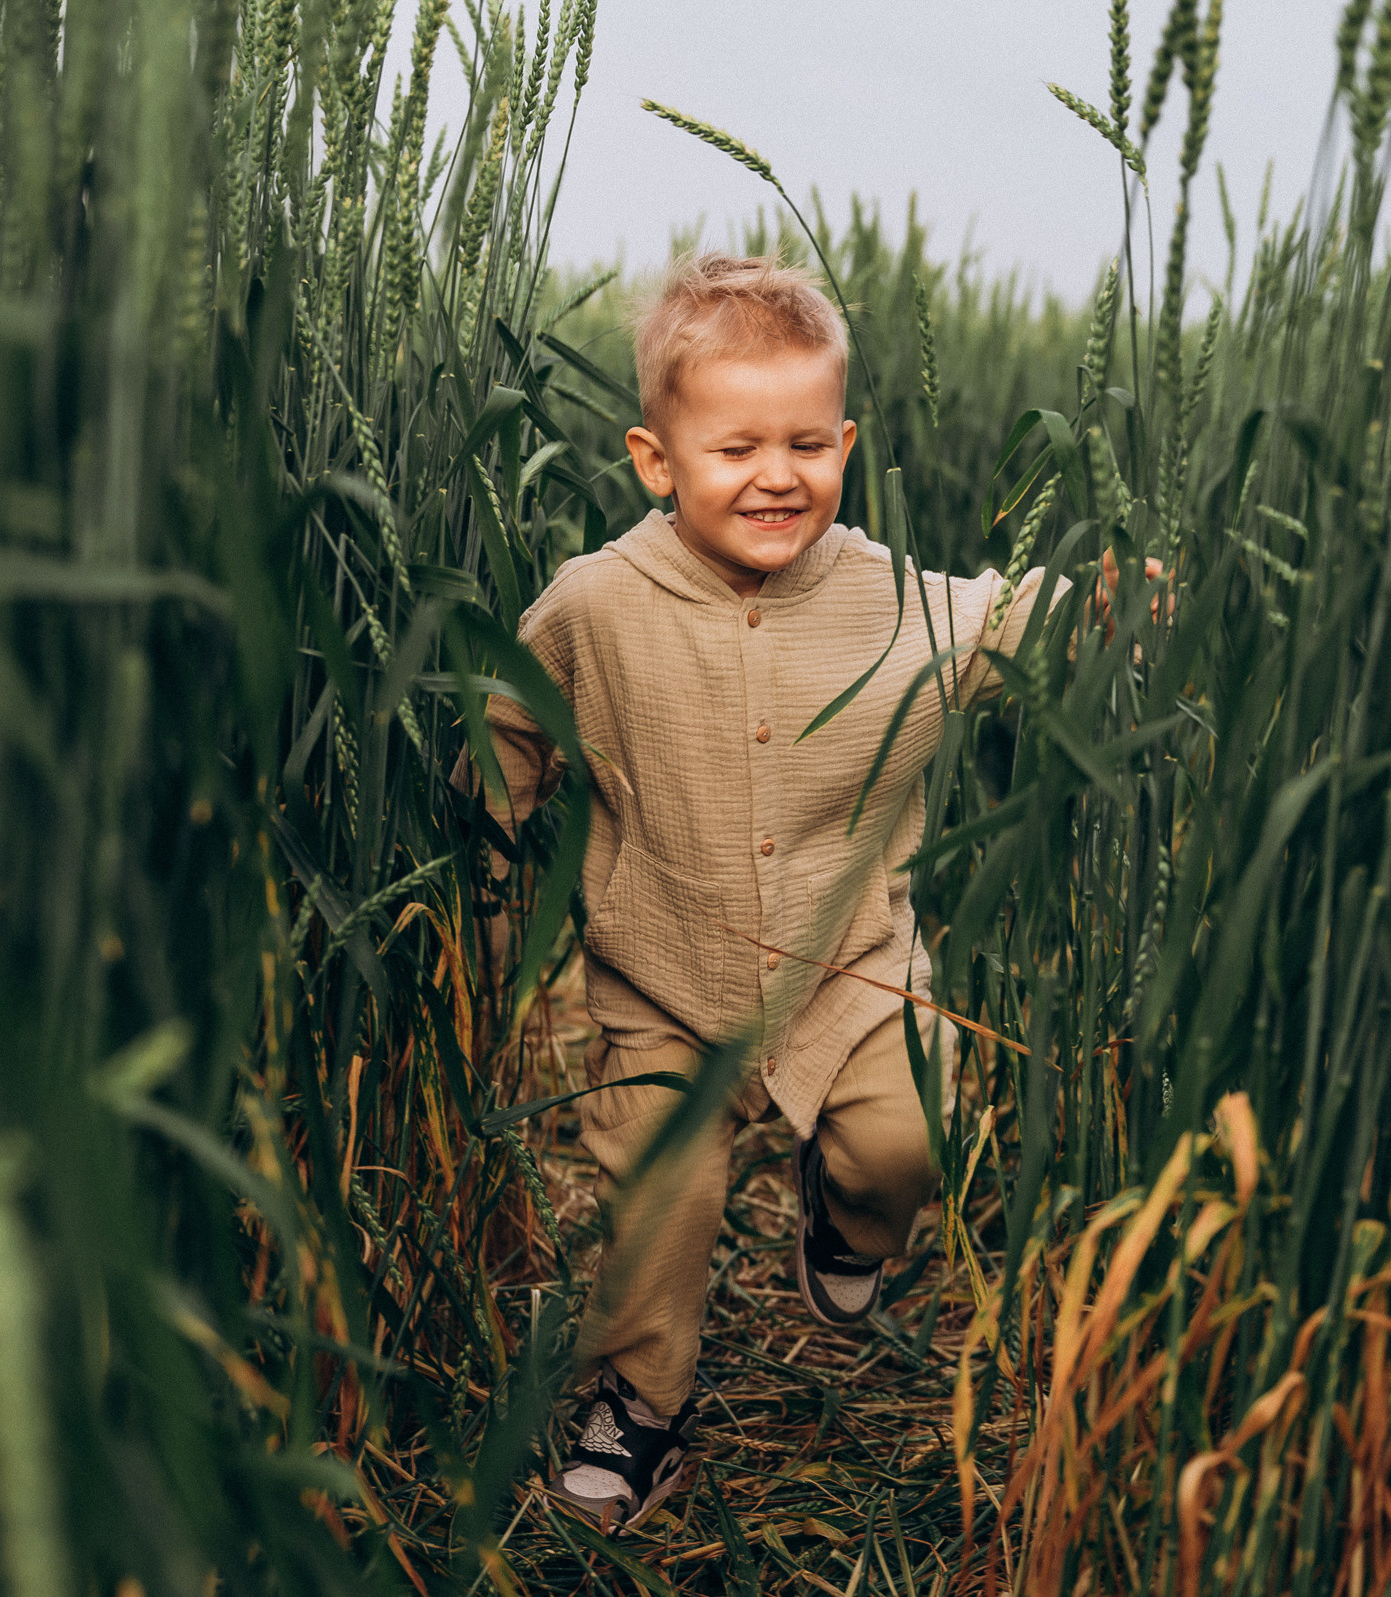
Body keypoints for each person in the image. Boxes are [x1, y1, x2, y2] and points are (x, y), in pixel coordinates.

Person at [464, 253, 1158, 1533]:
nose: (775, 475)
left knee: (908, 1136)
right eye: (734, 448)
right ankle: (641, 1406)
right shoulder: (597, 604)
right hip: (662, 974)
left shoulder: (890, 599)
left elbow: (1005, 620)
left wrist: (1102, 608)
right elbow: (513, 718)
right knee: (656, 1202)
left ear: (845, 446)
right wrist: (485, 832)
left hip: (852, 969)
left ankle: (846, 1228)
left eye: (804, 444)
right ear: (656, 460)